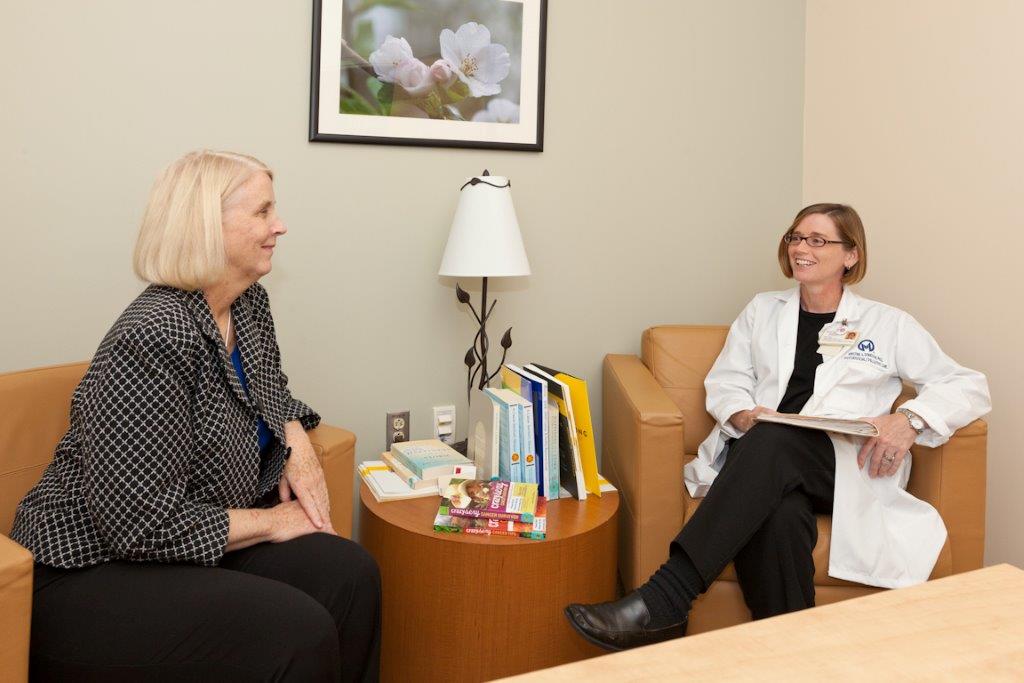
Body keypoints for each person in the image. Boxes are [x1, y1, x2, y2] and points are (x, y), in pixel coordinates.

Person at [10, 150, 381, 681]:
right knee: (295, 630)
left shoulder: (248, 305)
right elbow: (138, 528)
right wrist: (275, 522)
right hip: (89, 571)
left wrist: (295, 440)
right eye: (262, 212)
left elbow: (270, 388)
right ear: (208, 226)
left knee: (351, 573)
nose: (280, 226)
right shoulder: (153, 336)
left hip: (191, 537)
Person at [565, 203, 991, 651]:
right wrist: (741, 412)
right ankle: (791, 656)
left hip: (842, 466)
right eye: (795, 237)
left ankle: (666, 599)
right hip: (766, 459)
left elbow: (968, 384)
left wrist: (908, 419)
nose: (801, 248)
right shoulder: (762, 310)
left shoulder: (888, 324)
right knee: (779, 517)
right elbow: (728, 379)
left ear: (851, 256)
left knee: (774, 440)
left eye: (817, 240)